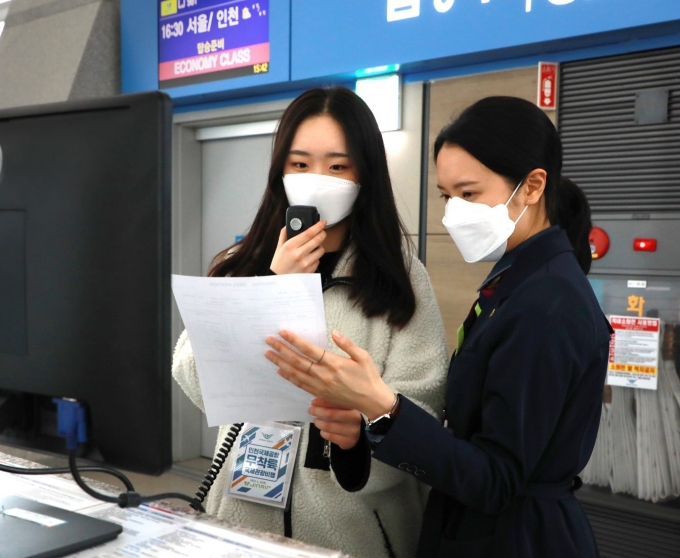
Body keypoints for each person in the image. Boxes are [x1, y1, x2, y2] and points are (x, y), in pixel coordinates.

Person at [265, 96, 614, 558]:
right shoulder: (518, 283)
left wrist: (381, 405)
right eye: (447, 196)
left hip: (515, 539)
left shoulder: (547, 305)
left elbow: (497, 478)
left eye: (469, 194)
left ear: (531, 187)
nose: (453, 214)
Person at [172, 86, 449, 558]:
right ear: (280, 170)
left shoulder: (400, 276)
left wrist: (358, 436)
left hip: (353, 529)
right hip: (242, 516)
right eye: (300, 164)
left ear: (365, 173)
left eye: (337, 166)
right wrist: (272, 284)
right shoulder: (246, 261)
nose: (317, 178)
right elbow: (193, 372)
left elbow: (425, 398)